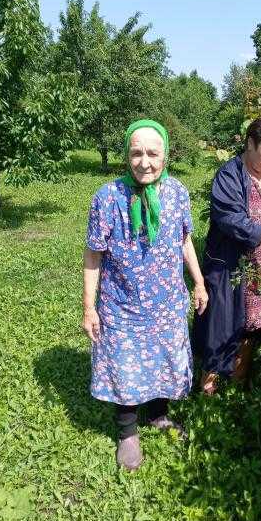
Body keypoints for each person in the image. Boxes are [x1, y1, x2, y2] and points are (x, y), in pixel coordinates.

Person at [82, 119, 208, 470]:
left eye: (153, 153)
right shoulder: (108, 197)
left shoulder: (178, 193)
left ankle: (158, 414)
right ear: (127, 154)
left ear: (166, 155)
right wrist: (89, 307)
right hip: (121, 303)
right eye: (136, 152)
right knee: (125, 363)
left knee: (165, 356)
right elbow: (93, 254)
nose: (145, 161)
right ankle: (127, 433)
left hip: (167, 301)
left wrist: (198, 281)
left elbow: (184, 241)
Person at [193, 115, 261, 393]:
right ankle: (207, 398)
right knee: (221, 333)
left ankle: (236, 389)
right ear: (250, 143)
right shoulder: (229, 175)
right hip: (233, 270)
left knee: (250, 332)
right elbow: (232, 221)